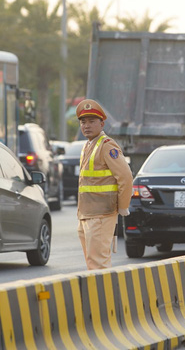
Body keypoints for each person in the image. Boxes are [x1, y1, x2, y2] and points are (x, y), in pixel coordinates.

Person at [76, 99, 133, 270]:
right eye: (83, 122)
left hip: (101, 215)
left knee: (98, 264)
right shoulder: (88, 145)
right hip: (86, 214)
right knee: (92, 263)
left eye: (92, 121)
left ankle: (103, 297)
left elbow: (126, 177)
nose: (86, 126)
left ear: (102, 123)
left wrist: (123, 207)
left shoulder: (107, 146)